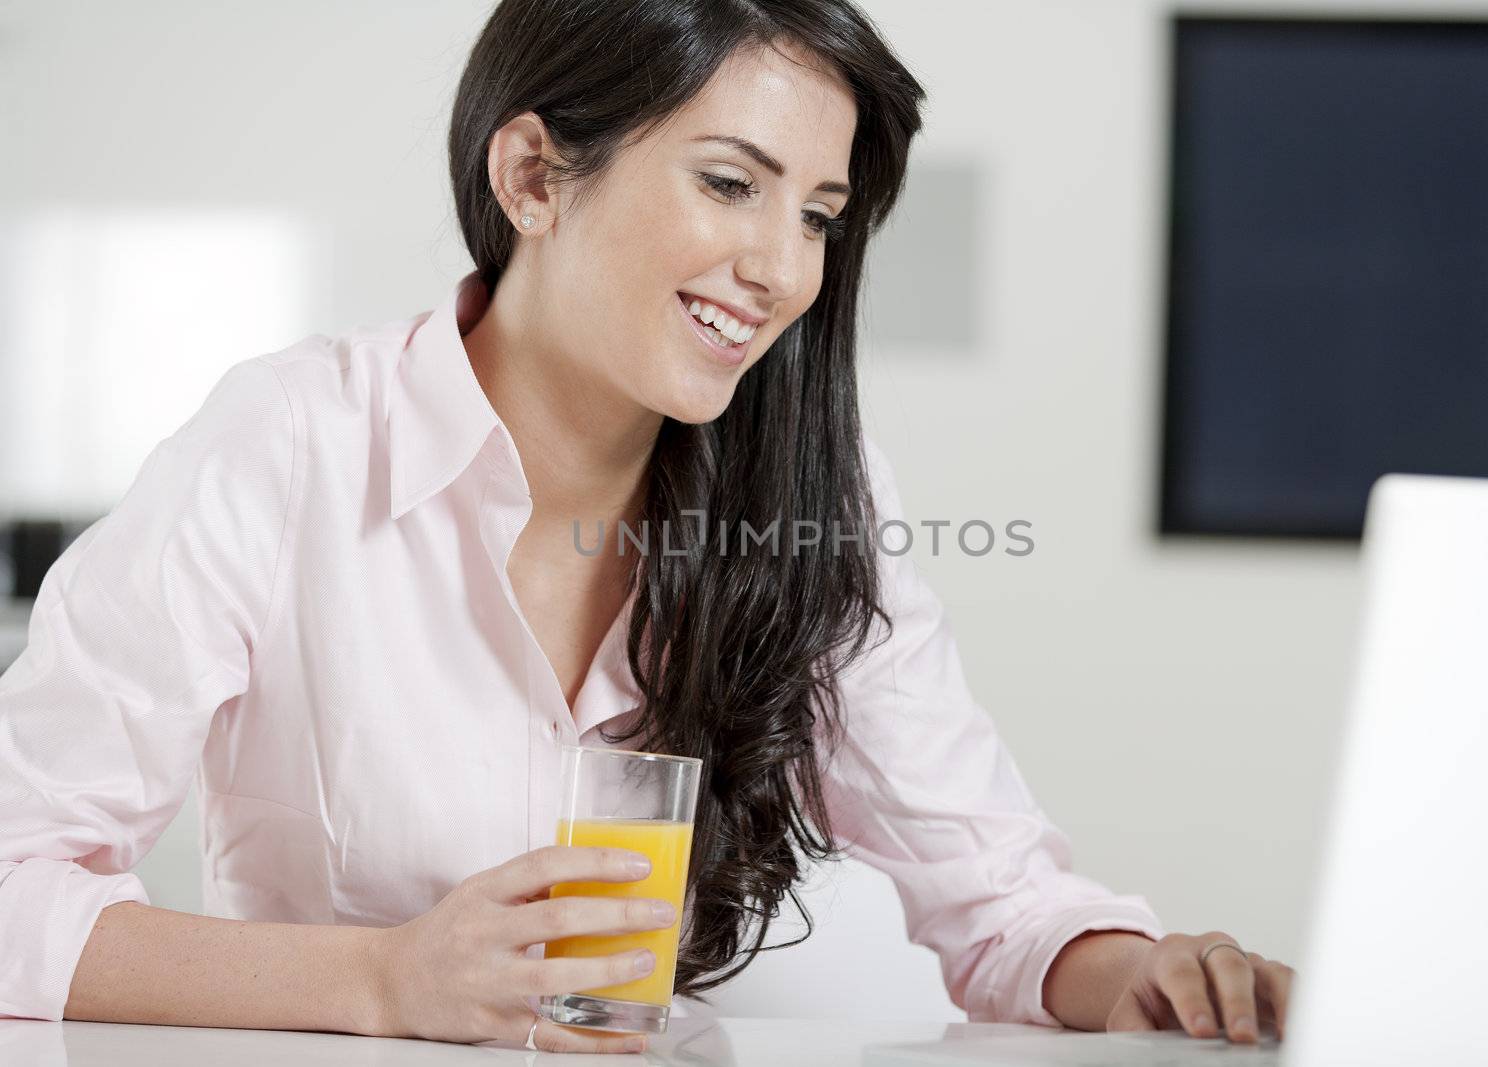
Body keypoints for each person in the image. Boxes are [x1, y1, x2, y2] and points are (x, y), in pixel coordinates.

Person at [0, 0, 1295, 1055]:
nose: (784, 270)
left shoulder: (815, 505)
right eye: (732, 183)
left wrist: (1146, 974)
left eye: (818, 217)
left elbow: (1004, 903)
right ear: (532, 175)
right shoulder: (289, 445)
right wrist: (382, 981)